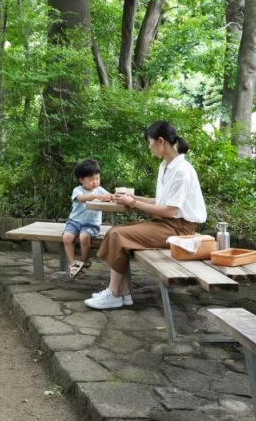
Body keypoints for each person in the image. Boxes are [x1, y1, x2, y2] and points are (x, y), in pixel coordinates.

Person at [84, 121, 207, 310]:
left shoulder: (182, 171)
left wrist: (133, 203)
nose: (149, 147)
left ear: (160, 141)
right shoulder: (165, 166)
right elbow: (161, 201)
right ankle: (121, 293)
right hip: (166, 224)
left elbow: (170, 210)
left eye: (150, 143)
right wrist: (133, 197)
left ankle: (115, 293)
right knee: (115, 232)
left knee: (118, 235)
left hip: (180, 230)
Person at [64, 158, 109, 278]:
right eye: (91, 179)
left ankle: (83, 263)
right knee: (67, 238)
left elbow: (108, 196)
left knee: (84, 237)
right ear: (81, 180)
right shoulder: (78, 190)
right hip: (74, 222)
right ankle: (73, 264)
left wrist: (114, 196)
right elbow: (80, 198)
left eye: (97, 178)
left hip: (91, 224)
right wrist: (96, 196)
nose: (95, 182)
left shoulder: (100, 190)